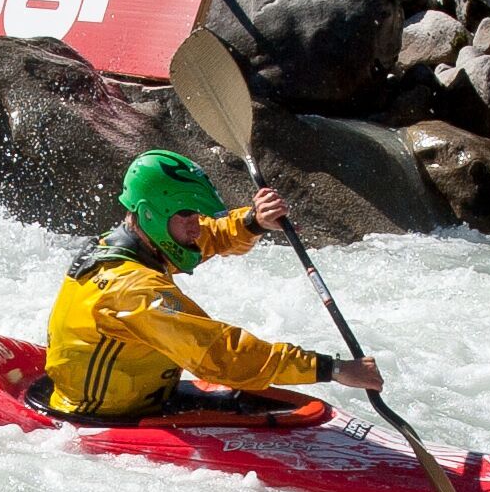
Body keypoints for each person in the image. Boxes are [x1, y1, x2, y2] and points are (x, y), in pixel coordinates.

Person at [42, 151, 378, 421]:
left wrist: (253, 222)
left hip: (139, 393)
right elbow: (220, 356)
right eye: (188, 215)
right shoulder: (133, 289)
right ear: (149, 215)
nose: (197, 225)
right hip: (100, 415)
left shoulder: (135, 244)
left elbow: (207, 237)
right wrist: (332, 369)